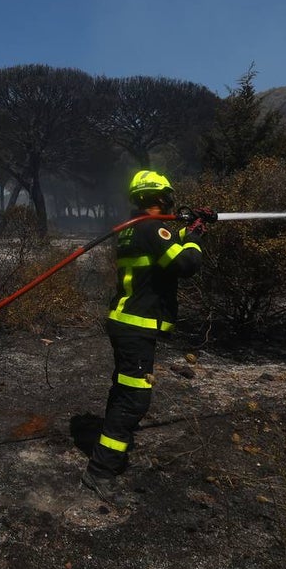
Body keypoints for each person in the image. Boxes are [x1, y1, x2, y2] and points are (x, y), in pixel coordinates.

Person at [82, 170, 214, 504]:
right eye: (168, 199)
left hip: (127, 324)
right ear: (161, 198)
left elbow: (163, 248)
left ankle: (106, 453)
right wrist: (195, 236)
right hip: (135, 328)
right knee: (134, 400)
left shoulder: (135, 229)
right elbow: (185, 264)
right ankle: (100, 471)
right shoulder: (152, 228)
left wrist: (186, 228)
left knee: (123, 391)